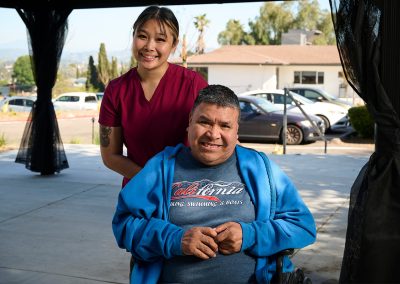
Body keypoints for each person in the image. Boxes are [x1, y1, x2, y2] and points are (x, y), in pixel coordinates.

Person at [112, 84, 317, 283]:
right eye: (205, 122)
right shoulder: (161, 167)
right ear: (190, 121)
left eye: (225, 125)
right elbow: (125, 224)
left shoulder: (260, 168)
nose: (213, 134)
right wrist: (175, 239)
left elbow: (303, 227)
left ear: (236, 130)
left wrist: (251, 234)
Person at [98, 6, 208, 188]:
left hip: (186, 190)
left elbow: (215, 136)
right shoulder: (116, 90)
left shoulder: (193, 84)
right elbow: (110, 156)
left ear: (173, 45)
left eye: (160, 39)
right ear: (133, 37)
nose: (149, 46)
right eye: (142, 36)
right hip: (138, 189)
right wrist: (152, 180)